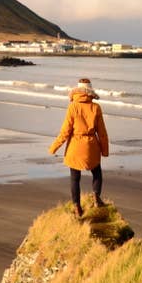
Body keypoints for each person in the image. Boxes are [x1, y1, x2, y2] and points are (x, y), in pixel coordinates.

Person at [49, 78, 109, 217]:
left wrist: (54, 147)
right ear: (90, 92)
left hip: (75, 146)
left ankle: (77, 207)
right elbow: (102, 132)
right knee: (97, 173)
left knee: (75, 178)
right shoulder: (96, 108)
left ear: (77, 91)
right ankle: (96, 197)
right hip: (91, 145)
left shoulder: (72, 106)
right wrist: (104, 150)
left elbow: (65, 131)